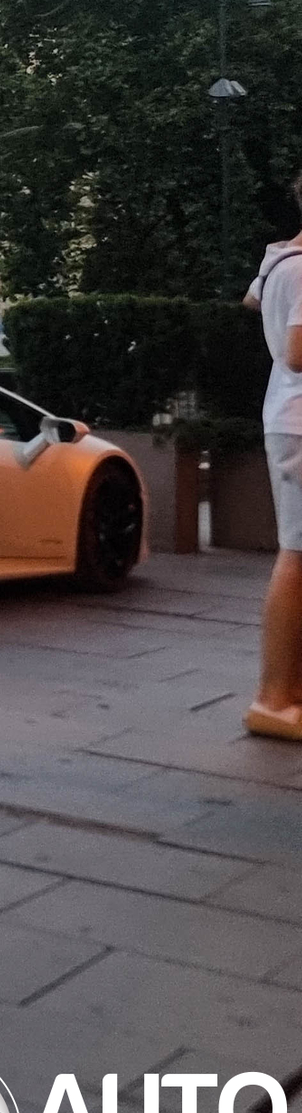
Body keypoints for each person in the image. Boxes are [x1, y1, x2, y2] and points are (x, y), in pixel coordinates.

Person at [249, 187, 302, 741]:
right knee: (297, 557)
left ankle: (287, 690)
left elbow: (253, 299)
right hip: (299, 423)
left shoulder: (282, 260)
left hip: (287, 417)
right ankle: (274, 699)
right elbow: (299, 352)